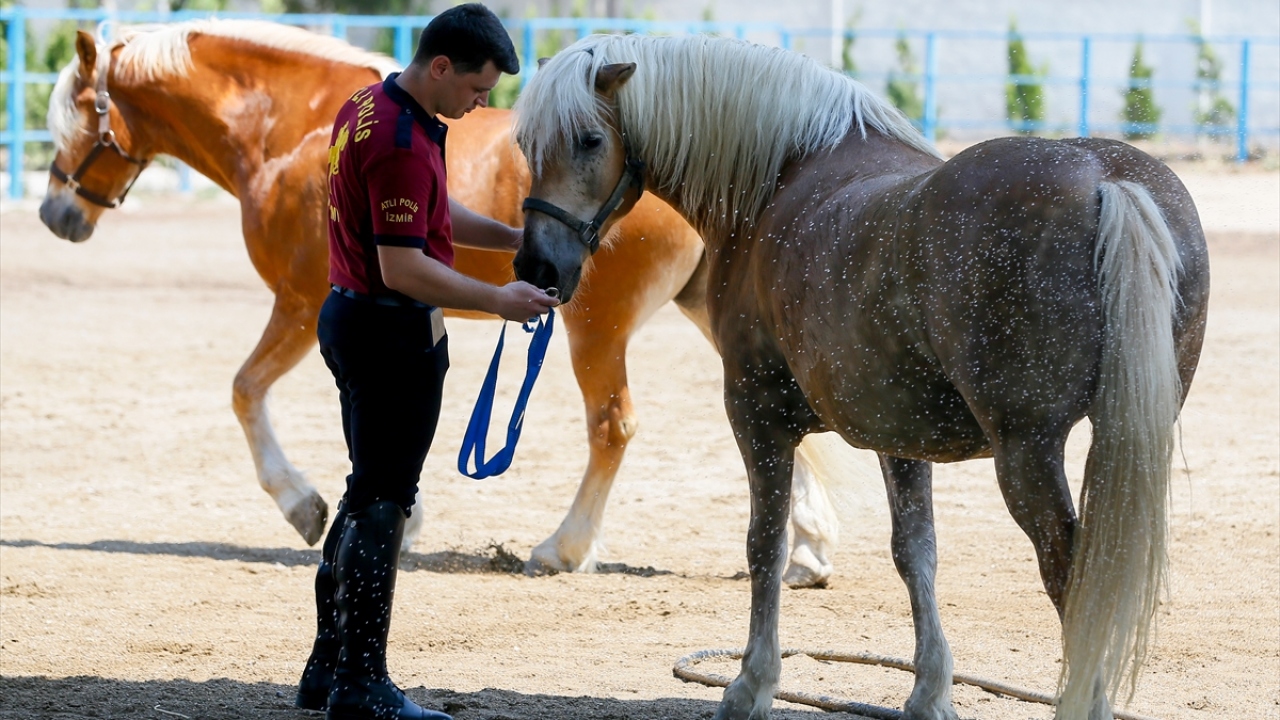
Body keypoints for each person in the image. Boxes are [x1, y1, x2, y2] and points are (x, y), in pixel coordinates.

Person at [295, 5, 557, 720]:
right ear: (441, 67)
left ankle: (327, 670)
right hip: (390, 333)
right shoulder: (406, 141)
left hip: (352, 316)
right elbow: (405, 265)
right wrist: (500, 300)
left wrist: (511, 237)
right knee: (385, 504)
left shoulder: (375, 103)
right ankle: (363, 685)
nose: (481, 105)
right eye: (476, 89)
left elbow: (428, 216)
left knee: (363, 493)